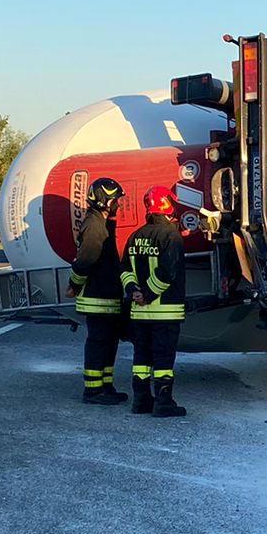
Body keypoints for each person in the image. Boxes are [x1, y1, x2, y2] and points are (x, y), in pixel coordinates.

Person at [121, 184, 188, 418]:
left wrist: (133, 291)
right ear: (169, 205)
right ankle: (164, 402)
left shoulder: (135, 236)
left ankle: (140, 401)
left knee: (141, 358)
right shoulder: (171, 236)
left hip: (139, 313)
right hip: (165, 312)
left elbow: (125, 269)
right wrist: (148, 293)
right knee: (163, 358)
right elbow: (168, 272)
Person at [69, 177, 128, 404]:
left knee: (109, 342)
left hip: (107, 296)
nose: (118, 204)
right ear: (105, 201)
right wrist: (74, 285)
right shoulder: (94, 226)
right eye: (116, 200)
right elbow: (85, 261)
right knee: (99, 342)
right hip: (97, 298)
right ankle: (93, 391)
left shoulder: (102, 223)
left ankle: (106, 386)